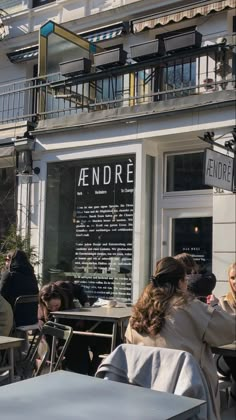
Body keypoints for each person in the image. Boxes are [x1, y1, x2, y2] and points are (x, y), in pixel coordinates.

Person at [125, 257, 236, 420]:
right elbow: (229, 330)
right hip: (189, 396)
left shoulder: (138, 312)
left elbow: (128, 349)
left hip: (145, 393)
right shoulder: (190, 307)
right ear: (181, 282)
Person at [38, 282, 91, 375]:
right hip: (54, 321)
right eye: (50, 307)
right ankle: (53, 364)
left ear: (62, 298)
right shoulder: (45, 307)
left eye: (56, 306)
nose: (54, 309)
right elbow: (40, 315)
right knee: (48, 333)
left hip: (72, 319)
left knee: (77, 344)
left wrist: (85, 306)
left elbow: (79, 289)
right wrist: (39, 319)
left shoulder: (65, 287)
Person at [0, 250, 39, 327]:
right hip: (31, 319)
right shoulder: (32, 276)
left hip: (12, 319)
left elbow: (1, 296)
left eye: (7, 259)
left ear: (12, 260)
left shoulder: (9, 275)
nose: (6, 262)